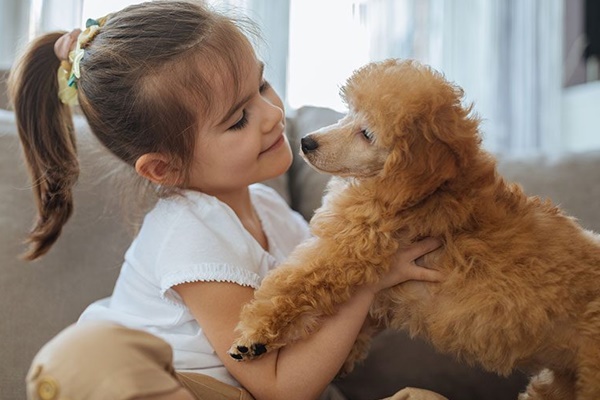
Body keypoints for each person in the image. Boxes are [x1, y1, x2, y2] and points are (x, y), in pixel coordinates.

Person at [9, 1, 444, 399]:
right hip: (183, 387)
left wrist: (384, 278)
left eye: (264, 85)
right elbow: (279, 387)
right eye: (239, 119)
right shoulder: (189, 232)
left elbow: (321, 319)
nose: (273, 114)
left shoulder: (270, 210)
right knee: (86, 358)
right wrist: (367, 283)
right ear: (165, 169)